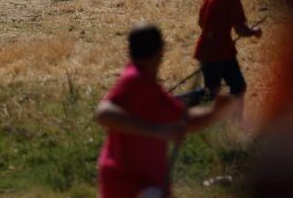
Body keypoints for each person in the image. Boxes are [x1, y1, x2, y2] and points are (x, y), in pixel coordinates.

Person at [96, 23, 238, 197]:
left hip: (147, 183)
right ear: (160, 52)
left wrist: (215, 112)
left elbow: (183, 121)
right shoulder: (134, 80)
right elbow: (104, 113)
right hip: (128, 183)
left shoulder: (150, 86)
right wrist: (157, 130)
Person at [195, 0, 263, 106]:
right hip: (218, 53)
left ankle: (227, 122)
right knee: (219, 93)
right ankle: (230, 122)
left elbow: (201, 22)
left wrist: (218, 35)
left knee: (220, 90)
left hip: (208, 49)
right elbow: (240, 30)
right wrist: (254, 31)